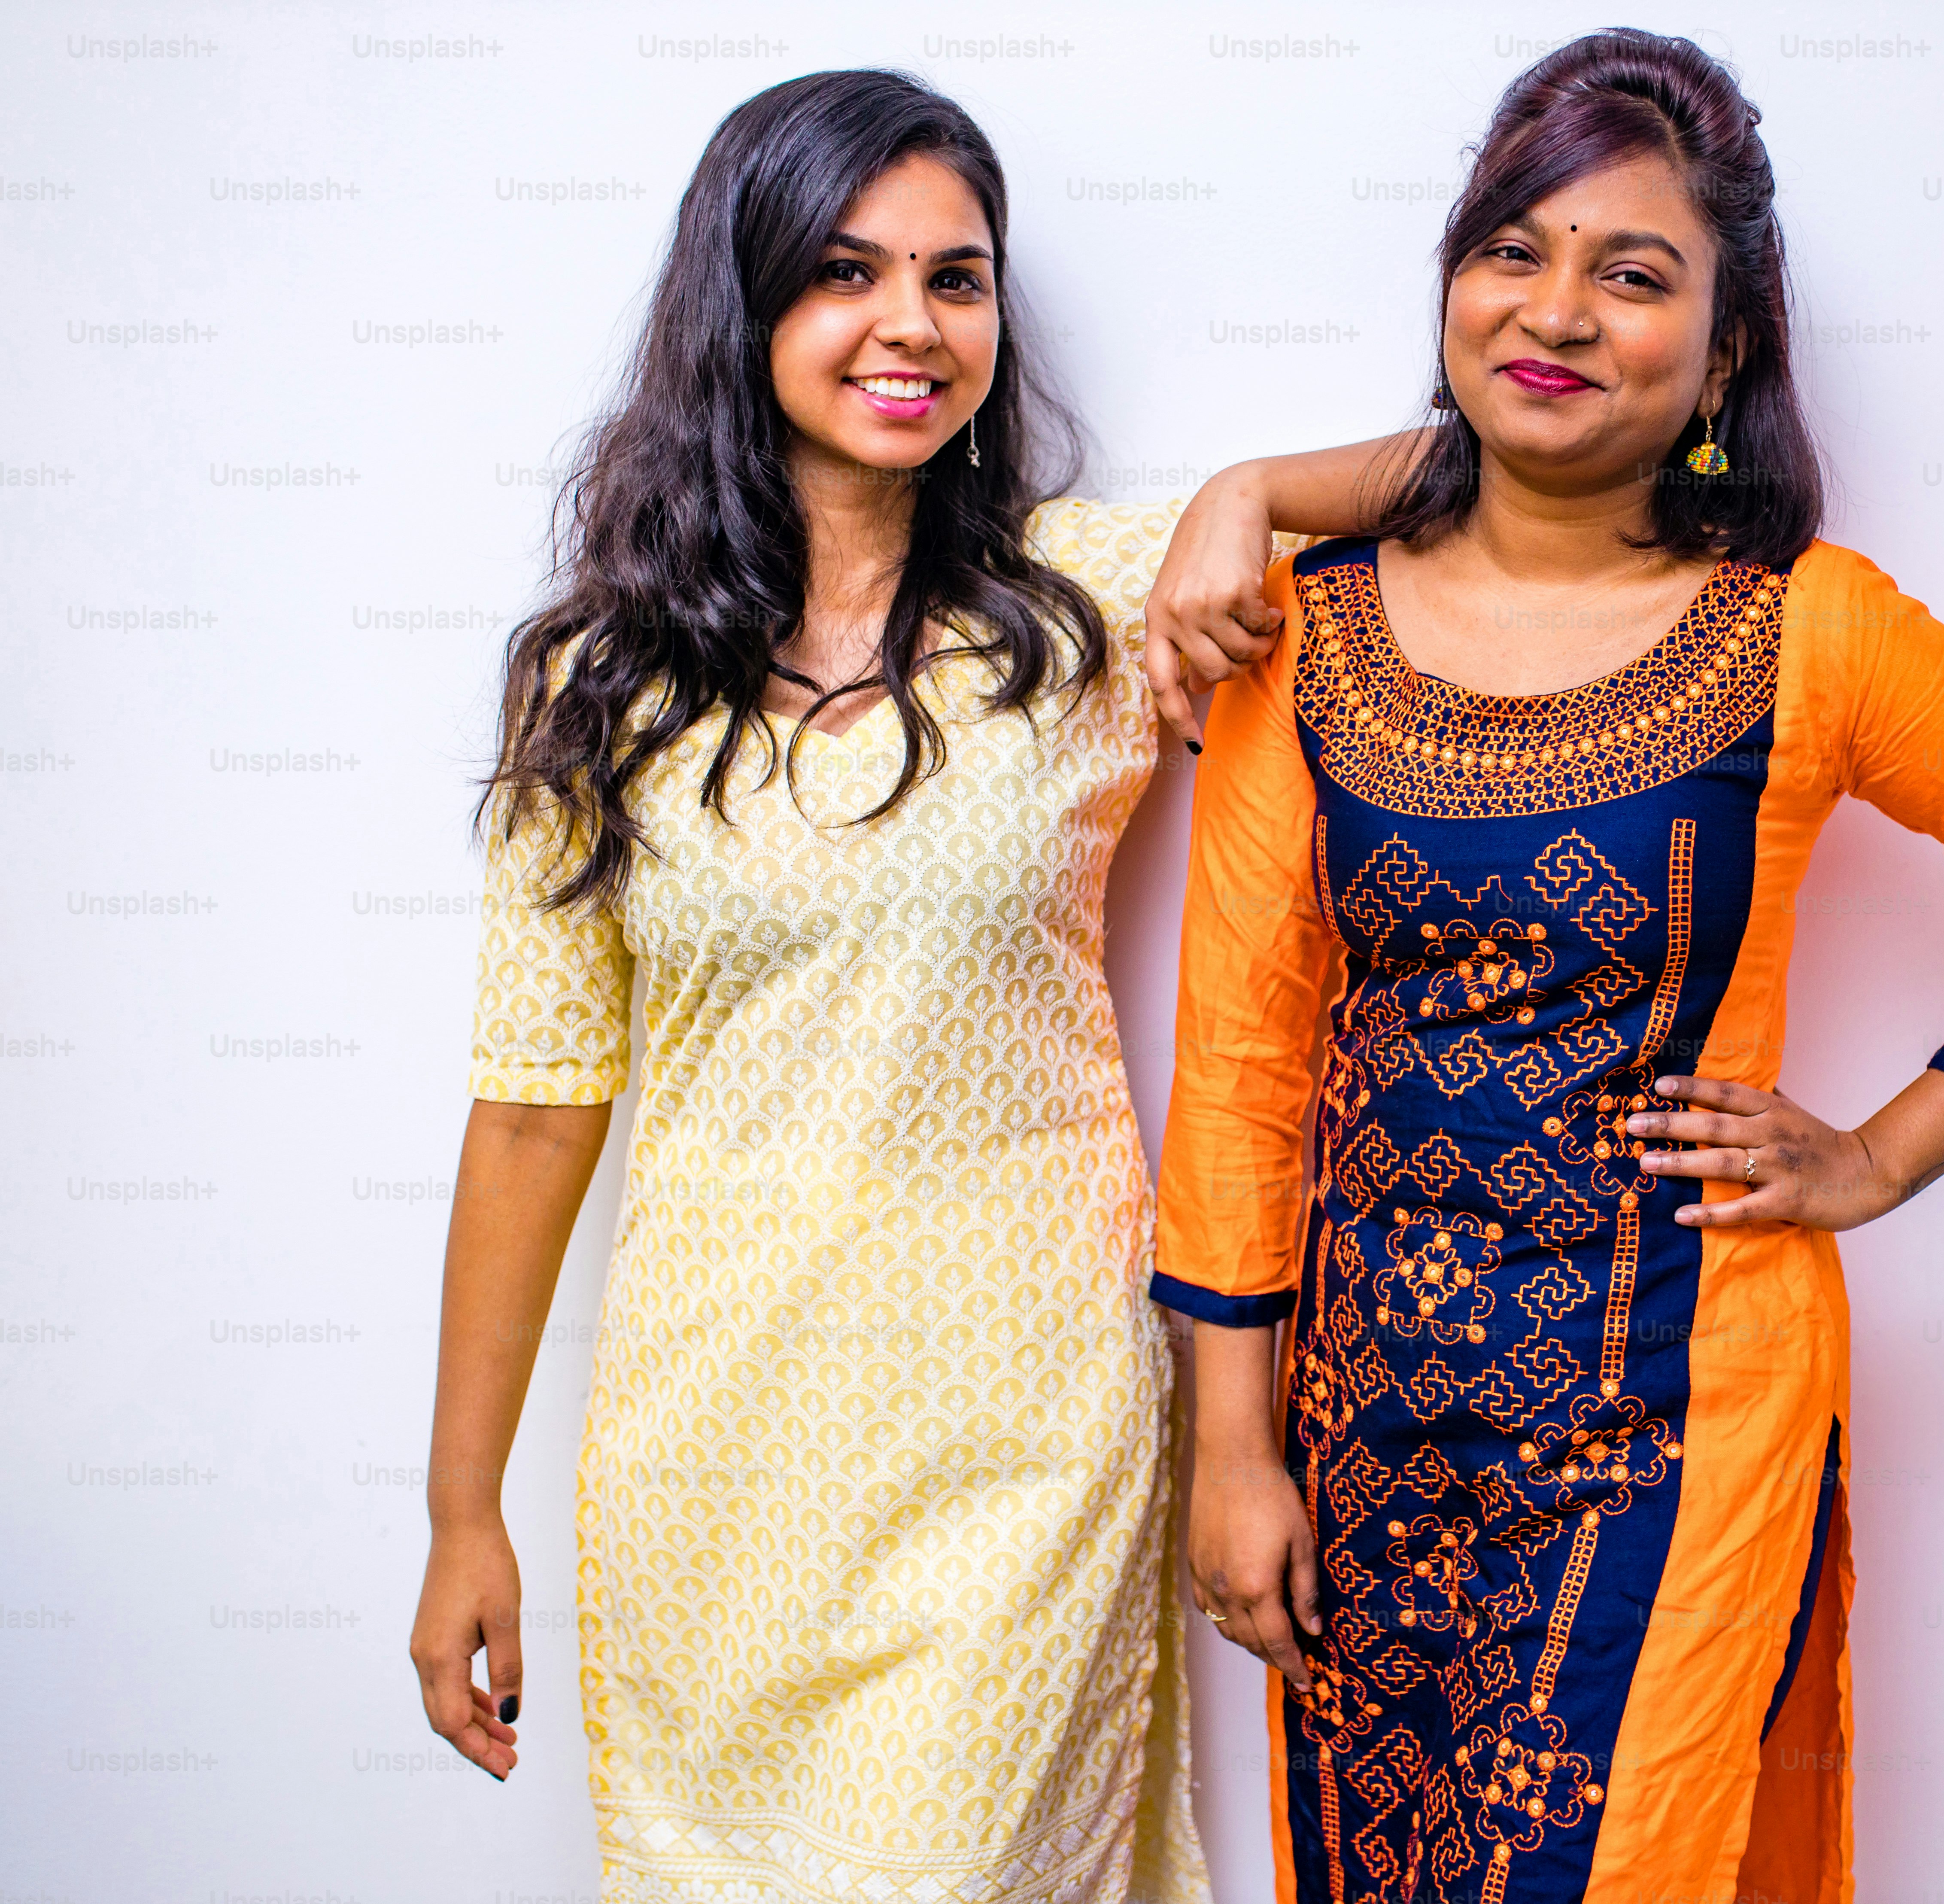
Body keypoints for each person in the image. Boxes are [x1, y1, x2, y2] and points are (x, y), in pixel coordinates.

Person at [1153, 31, 1944, 1904]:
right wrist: (1232, 1452)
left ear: (1720, 356)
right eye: (1513, 252)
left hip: (1676, 1404)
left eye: (1633, 273)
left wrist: (1873, 1158)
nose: (1554, 310)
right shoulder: (1294, 639)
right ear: (1454, 286)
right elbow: (1239, 1069)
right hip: (1366, 1433)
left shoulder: (1810, 632)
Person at [407, 68, 1395, 1903]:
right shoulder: (600, 682)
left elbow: (1470, 471)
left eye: (959, 276)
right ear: (746, 299)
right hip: (712, 1456)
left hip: (1023, 1439)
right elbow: (538, 1108)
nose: (911, 325)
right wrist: (463, 1507)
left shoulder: (1084, 602)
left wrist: (1248, 492)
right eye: (847, 273)